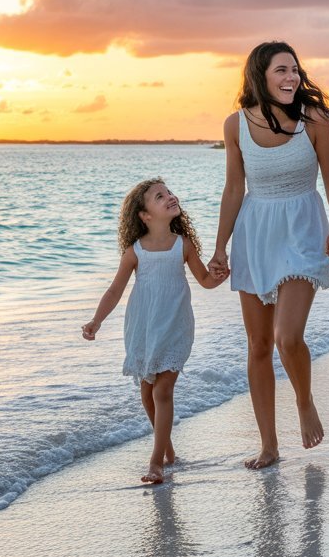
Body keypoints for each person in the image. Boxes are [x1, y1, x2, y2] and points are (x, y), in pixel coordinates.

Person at [209, 41, 329, 469]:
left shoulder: (314, 120)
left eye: (294, 70)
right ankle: (268, 444)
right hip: (255, 232)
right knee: (258, 345)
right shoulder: (235, 125)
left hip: (303, 228)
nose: (291, 78)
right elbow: (234, 189)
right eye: (281, 71)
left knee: (288, 338)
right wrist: (219, 245)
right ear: (260, 76)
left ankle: (304, 401)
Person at [82, 178, 227, 484]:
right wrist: (97, 321)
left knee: (162, 390)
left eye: (169, 193)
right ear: (145, 215)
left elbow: (204, 281)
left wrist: (220, 275)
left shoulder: (182, 246)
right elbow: (114, 291)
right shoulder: (135, 252)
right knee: (147, 391)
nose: (170, 197)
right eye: (159, 197)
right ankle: (169, 451)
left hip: (175, 326)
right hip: (143, 328)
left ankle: (156, 462)